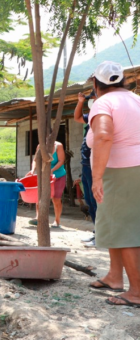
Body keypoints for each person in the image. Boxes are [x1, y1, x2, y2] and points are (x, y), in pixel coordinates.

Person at [86, 61, 140, 307]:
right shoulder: (135, 99)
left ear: (97, 85)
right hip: (131, 169)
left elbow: (104, 135)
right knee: (113, 223)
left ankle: (136, 292)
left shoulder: (103, 102)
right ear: (122, 81)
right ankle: (114, 277)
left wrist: (96, 177)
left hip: (121, 171)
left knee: (125, 229)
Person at [74, 91, 98, 246]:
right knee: (89, 199)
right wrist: (80, 101)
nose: (92, 100)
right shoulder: (92, 115)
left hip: (95, 162)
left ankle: (101, 236)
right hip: (86, 164)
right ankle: (97, 232)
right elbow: (76, 117)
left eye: (93, 97)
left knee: (97, 200)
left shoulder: (103, 114)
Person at [26, 141, 66, 228]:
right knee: (39, 196)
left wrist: (51, 171)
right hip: (44, 175)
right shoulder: (40, 146)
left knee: (56, 199)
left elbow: (61, 161)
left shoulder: (58, 146)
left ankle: (57, 221)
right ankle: (38, 217)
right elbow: (35, 160)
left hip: (58, 175)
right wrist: (33, 170)